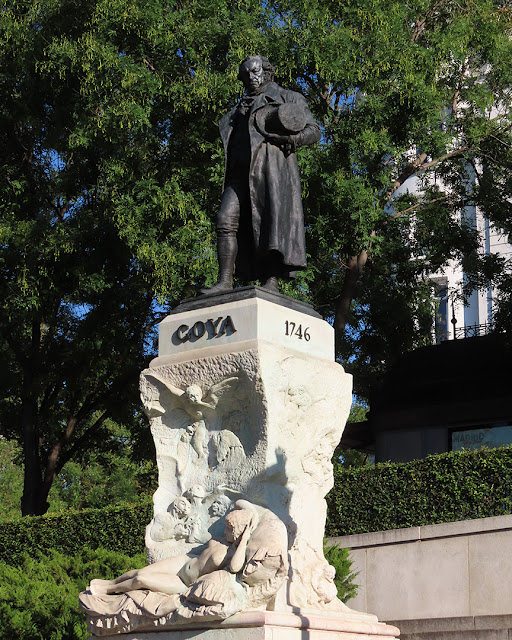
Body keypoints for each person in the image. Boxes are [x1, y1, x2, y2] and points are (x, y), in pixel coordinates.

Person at [200, 55, 320, 295]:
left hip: (270, 172)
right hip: (238, 174)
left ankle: (271, 280)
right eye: (245, 76)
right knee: (225, 220)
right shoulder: (238, 108)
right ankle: (225, 281)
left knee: (271, 223)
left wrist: (290, 140)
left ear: (267, 72)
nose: (251, 79)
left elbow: (314, 131)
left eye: (255, 73)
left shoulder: (288, 97)